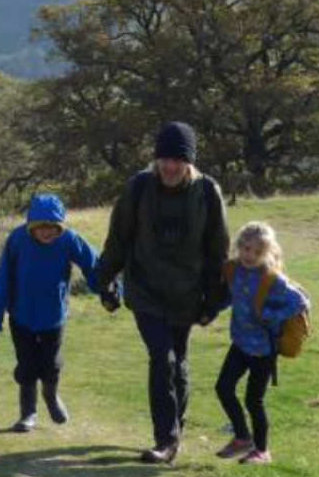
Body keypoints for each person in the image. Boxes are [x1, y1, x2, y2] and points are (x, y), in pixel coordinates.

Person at [96, 121, 230, 464]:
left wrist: (213, 300)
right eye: (164, 159)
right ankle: (166, 440)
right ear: (155, 159)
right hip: (146, 291)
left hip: (187, 294)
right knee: (162, 358)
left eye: (177, 160)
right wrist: (105, 280)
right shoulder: (138, 188)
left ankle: (174, 429)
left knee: (179, 361)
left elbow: (217, 250)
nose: (169, 166)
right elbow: (119, 238)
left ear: (189, 161)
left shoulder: (207, 193)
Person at [0, 193, 102, 432]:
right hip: (21, 315)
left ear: (60, 226)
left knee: (51, 365)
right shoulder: (17, 240)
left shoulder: (69, 240)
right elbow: (3, 278)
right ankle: (28, 413)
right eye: (41, 227)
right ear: (31, 226)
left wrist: (108, 290)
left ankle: (51, 397)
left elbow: (94, 264)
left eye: (52, 227)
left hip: (53, 316)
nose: (47, 232)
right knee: (27, 366)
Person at [213, 221, 308, 465]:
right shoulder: (233, 270)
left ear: (267, 253)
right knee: (223, 388)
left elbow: (301, 302)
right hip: (240, 344)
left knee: (253, 401)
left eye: (256, 252)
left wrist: (270, 315)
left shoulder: (272, 279)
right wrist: (208, 311)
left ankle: (262, 451)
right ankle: (243, 437)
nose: (249, 255)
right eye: (245, 248)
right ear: (238, 247)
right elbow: (231, 297)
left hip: (264, 350)